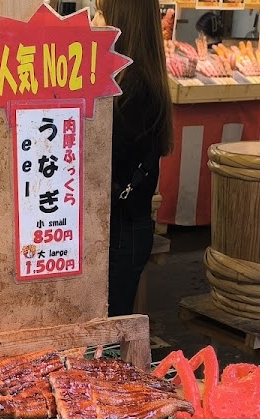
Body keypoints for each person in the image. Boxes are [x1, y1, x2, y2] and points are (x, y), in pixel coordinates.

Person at [96, 0, 172, 317]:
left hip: (121, 229)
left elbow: (104, 157)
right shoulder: (136, 76)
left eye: (101, 9)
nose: (96, 16)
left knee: (109, 336)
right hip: (124, 226)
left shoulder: (134, 84)